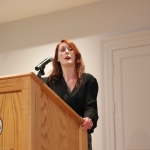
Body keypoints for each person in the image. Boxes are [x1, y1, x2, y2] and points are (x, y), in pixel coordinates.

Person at [46, 39, 99, 150]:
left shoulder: (88, 80)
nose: (67, 52)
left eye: (71, 50)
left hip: (80, 132)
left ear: (76, 56)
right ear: (57, 58)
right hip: (56, 135)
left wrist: (88, 119)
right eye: (62, 50)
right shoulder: (51, 82)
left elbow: (91, 107)